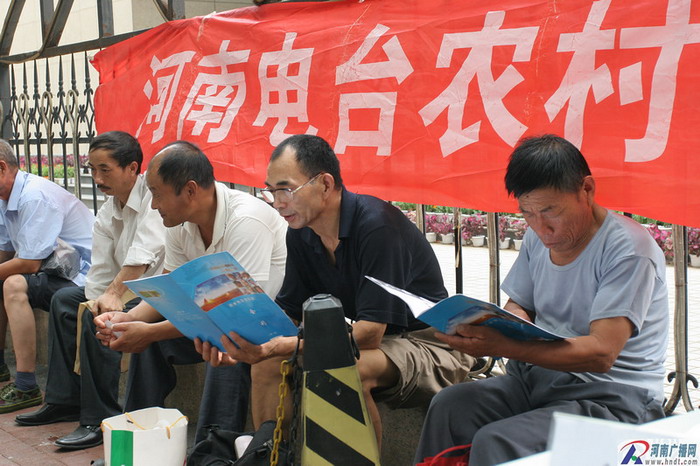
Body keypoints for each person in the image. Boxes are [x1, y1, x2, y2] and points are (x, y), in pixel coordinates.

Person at [196, 134, 474, 443]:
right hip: (382, 343)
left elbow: (370, 334)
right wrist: (244, 342)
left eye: (286, 189)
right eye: (271, 191)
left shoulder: (378, 227)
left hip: (431, 343)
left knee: (342, 369)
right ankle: (269, 456)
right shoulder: (300, 233)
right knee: (267, 365)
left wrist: (281, 345)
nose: (278, 203)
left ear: (325, 184)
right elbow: (290, 314)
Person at [414, 135, 668, 465]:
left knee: (497, 441)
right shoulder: (538, 238)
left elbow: (602, 353)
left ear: (586, 190)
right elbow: (519, 303)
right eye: (528, 213)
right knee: (450, 406)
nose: (541, 227)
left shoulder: (629, 250)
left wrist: (505, 346)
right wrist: (504, 323)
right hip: (538, 380)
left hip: (612, 398)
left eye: (550, 211)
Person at [94, 140, 288, 443]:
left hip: (263, 323)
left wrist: (149, 332)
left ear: (190, 190)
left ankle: (212, 451)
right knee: (149, 340)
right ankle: (137, 441)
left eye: (157, 194)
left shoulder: (246, 220)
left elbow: (236, 315)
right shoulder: (177, 223)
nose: (153, 205)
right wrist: (128, 320)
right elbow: (169, 292)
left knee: (226, 346)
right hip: (217, 314)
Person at [15, 131, 166, 450]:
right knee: (66, 301)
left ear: (132, 168)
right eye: (92, 170)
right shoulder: (109, 211)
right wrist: (98, 299)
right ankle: (64, 400)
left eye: (105, 170)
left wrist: (109, 298)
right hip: (124, 290)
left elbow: (142, 257)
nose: (97, 178)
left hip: (154, 292)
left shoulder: (154, 198)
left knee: (100, 317)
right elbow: (101, 269)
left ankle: (100, 417)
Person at [0, 140, 94, 414]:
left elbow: (29, 264)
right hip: (54, 270)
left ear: (2, 167)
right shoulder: (5, 198)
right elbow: (5, 252)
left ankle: (26, 385)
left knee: (13, 284)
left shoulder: (34, 196)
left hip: (81, 276)